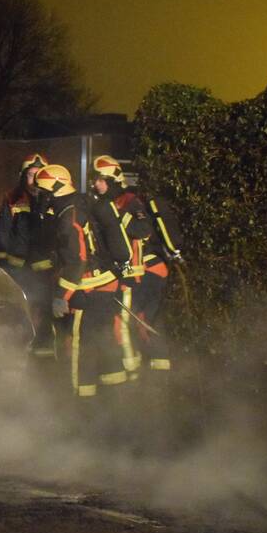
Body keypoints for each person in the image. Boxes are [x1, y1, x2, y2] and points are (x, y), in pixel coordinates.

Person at [35, 162, 127, 398]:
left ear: (55, 189)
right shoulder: (83, 202)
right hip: (106, 283)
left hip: (87, 288)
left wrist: (60, 296)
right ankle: (116, 398)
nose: (41, 198)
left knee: (80, 345)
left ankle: (80, 399)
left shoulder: (68, 216)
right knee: (104, 341)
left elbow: (77, 261)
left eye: (43, 192)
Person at [91, 155, 184, 375]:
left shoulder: (129, 202)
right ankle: (155, 373)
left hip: (145, 272)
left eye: (101, 180)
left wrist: (117, 217)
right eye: (95, 180)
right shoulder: (107, 203)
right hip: (139, 272)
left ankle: (131, 376)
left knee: (125, 322)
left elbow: (143, 231)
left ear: (113, 179)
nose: (96, 184)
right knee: (143, 322)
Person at [0, 154, 55, 356]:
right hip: (18, 269)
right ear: (22, 176)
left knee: (45, 310)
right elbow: (3, 232)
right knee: (20, 309)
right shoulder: (12, 199)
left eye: (39, 175)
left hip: (44, 270)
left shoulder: (51, 200)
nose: (34, 180)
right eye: (30, 175)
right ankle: (18, 349)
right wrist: (2, 265)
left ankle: (43, 352)